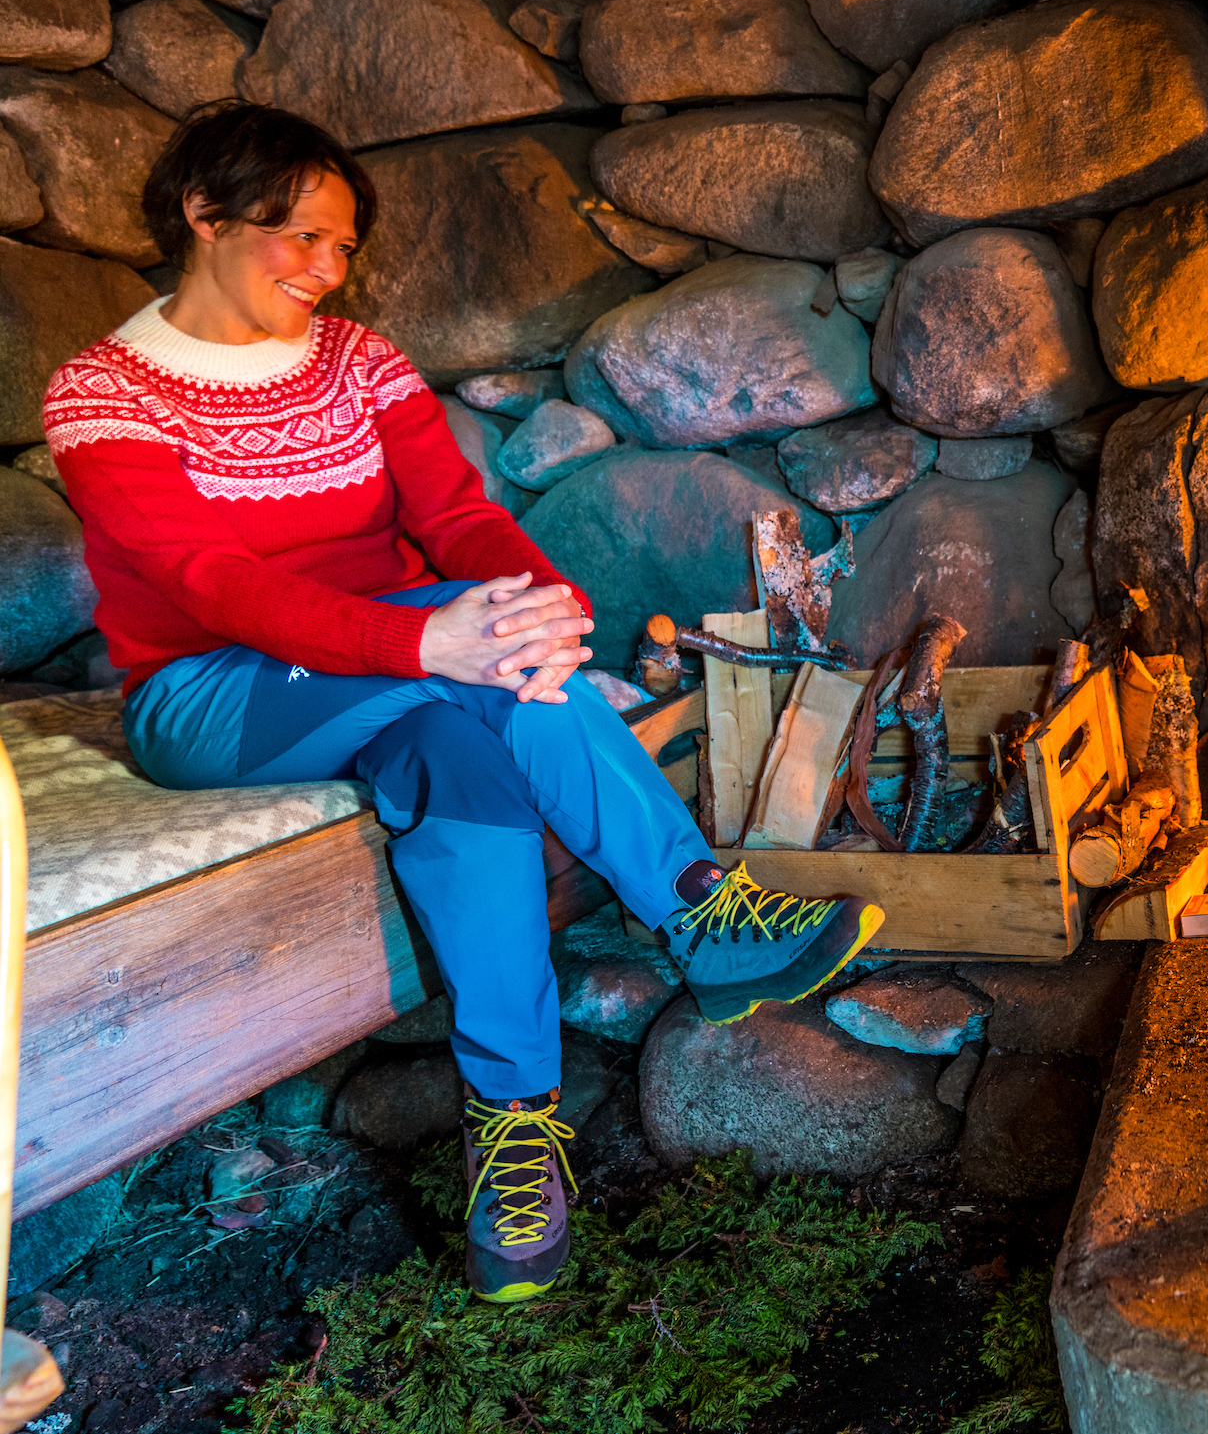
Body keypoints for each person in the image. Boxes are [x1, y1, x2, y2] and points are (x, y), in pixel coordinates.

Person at [41, 101, 885, 1304]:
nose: (327, 271)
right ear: (205, 212)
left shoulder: (360, 365)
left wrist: (535, 608)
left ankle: (514, 1133)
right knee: (467, 675)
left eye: (343, 247)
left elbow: (456, 520)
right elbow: (205, 582)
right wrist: (434, 633)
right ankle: (698, 911)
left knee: (467, 746)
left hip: (406, 676)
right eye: (301, 236)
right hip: (214, 692)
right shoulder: (105, 392)